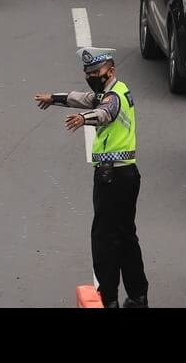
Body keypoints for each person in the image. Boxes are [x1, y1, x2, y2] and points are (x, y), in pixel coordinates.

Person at [34, 47, 149, 308]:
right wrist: (55, 98)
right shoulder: (114, 91)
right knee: (126, 235)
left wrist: (82, 119)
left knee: (104, 238)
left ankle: (107, 299)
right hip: (127, 174)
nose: (93, 76)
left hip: (112, 177)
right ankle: (138, 296)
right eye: (89, 73)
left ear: (111, 70)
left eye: (97, 72)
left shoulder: (113, 97)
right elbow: (85, 98)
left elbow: (104, 112)